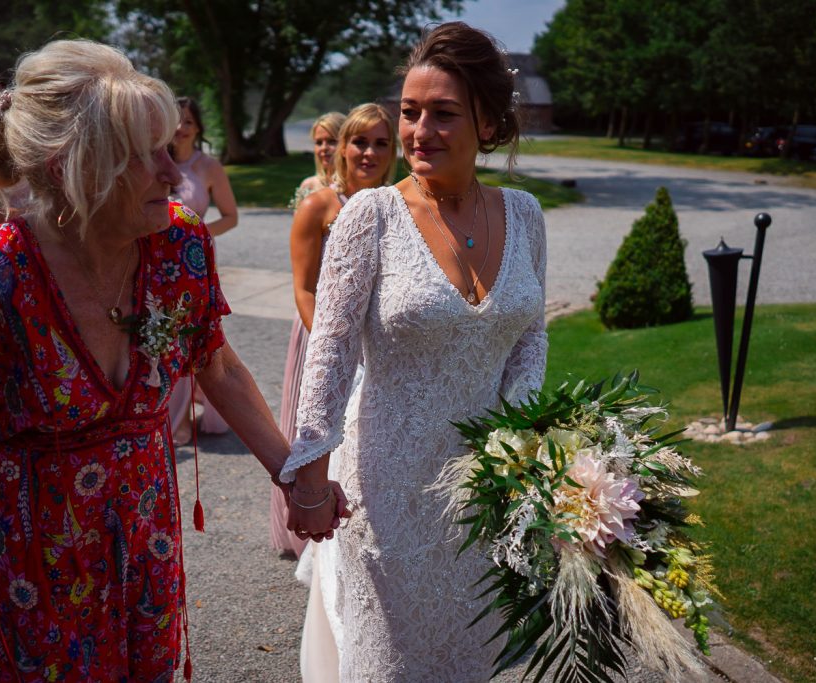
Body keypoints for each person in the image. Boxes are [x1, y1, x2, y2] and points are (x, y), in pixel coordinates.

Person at [0, 39, 344, 681]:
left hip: (145, 532)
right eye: (146, 156)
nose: (172, 171)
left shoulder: (179, 242)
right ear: (67, 166)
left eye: (171, 147)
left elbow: (214, 364)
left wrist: (292, 475)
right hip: (32, 551)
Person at [281, 22, 548, 682]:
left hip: (483, 498)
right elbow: (332, 352)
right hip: (387, 495)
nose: (419, 130)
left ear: (487, 122)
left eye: (443, 113)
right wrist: (309, 468)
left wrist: (518, 448)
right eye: (410, 111)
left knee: (471, 659)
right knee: (388, 665)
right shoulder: (369, 215)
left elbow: (530, 336)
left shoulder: (528, 214)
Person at [271, 103, 397, 559]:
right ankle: (309, 525)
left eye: (381, 143)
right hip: (325, 336)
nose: (370, 152)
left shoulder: (399, 203)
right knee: (319, 434)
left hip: (381, 346)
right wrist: (334, 343)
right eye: (360, 142)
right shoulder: (318, 205)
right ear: (342, 149)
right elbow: (304, 288)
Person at [167, 96, 239, 444]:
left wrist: (195, 235)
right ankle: (167, 412)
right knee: (159, 332)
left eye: (188, 123)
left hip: (193, 262)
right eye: (176, 121)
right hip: (156, 259)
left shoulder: (208, 167)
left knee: (190, 332)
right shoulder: (154, 161)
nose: (181, 129)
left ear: (198, 129)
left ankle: (182, 416)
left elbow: (230, 216)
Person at [290, 112, 346, 208]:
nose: (324, 148)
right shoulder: (309, 186)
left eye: (332, 141)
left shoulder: (361, 185)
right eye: (319, 142)